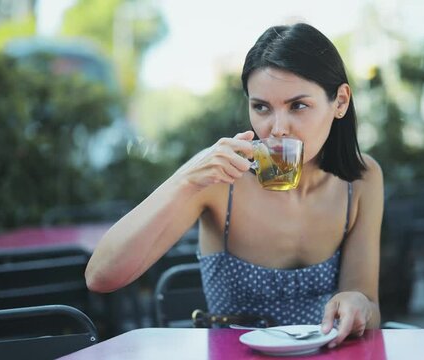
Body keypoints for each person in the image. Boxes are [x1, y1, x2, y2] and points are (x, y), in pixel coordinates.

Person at [86, 22, 383, 348]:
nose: (277, 128)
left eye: (298, 105)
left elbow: (367, 303)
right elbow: (101, 277)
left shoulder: (362, 180)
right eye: (261, 107)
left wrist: (358, 305)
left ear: (339, 102)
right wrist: (186, 180)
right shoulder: (220, 179)